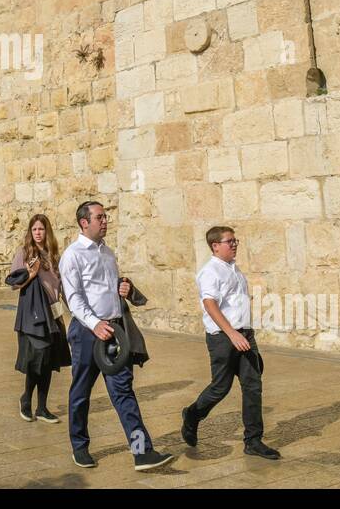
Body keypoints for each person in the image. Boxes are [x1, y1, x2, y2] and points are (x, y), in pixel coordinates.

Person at [59, 200, 173, 472]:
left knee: (123, 392)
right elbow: (73, 299)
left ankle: (141, 452)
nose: (105, 221)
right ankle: (80, 446)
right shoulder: (72, 255)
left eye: (106, 217)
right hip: (87, 333)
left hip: (114, 333)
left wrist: (124, 288)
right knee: (81, 392)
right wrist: (94, 324)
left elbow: (110, 290)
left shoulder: (108, 254)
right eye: (99, 217)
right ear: (84, 222)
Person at [180, 226, 280, 459]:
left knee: (253, 386)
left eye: (236, 241)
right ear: (215, 246)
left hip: (245, 335)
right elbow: (210, 304)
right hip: (224, 339)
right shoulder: (210, 271)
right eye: (229, 241)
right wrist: (232, 334)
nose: (234, 244)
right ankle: (193, 415)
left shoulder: (233, 269)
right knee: (220, 388)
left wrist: (244, 328)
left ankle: (253, 441)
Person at [8, 214, 69, 423]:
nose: (38, 233)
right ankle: (26, 399)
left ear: (47, 231)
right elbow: (14, 283)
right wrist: (31, 274)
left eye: (41, 229)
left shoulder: (53, 255)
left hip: (53, 312)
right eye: (34, 229)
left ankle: (42, 408)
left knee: (49, 361)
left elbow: (60, 285)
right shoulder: (25, 253)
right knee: (37, 358)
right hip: (33, 314)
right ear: (30, 232)